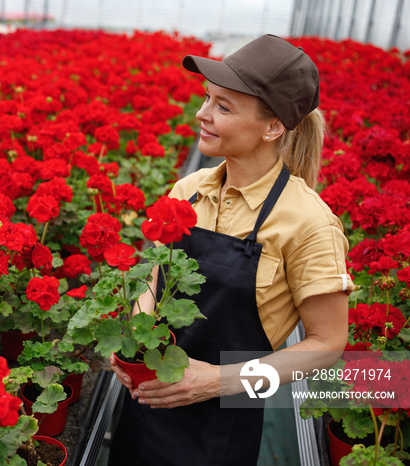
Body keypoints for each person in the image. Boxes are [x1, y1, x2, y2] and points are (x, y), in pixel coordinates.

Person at [108, 34, 355, 465]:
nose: (202, 114)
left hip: (222, 422)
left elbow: (328, 342)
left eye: (224, 107)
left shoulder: (310, 223)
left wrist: (215, 381)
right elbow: (153, 274)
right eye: (207, 99)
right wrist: (135, 330)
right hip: (145, 401)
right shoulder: (188, 190)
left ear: (272, 126)